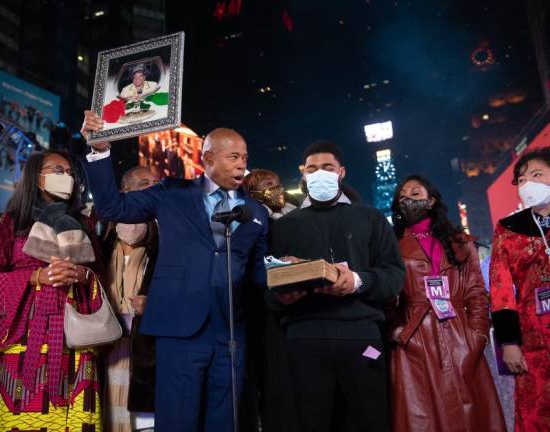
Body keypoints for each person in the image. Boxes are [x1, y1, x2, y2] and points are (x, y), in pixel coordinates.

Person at [81, 110, 268, 432]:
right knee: (177, 421)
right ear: (208, 157)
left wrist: (292, 275)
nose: (242, 164)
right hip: (180, 330)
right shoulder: (171, 193)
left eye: (245, 157)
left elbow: (258, 273)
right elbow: (113, 207)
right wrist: (99, 151)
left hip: (231, 333)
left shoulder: (256, 212)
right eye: (234, 156)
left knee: (224, 423)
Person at [0, 151, 106, 432]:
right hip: (21, 339)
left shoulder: (85, 223)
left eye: (69, 172)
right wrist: (36, 276)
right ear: (37, 178)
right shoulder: (12, 223)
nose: (65, 177)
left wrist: (81, 274)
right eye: (56, 170)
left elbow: (100, 275)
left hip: (73, 338)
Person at [267, 140, 405, 432]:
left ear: (341, 172)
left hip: (362, 336)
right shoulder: (282, 226)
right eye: (312, 169)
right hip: (304, 338)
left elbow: (394, 275)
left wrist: (356, 281)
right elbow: (265, 288)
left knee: (371, 420)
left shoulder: (371, 218)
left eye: (327, 167)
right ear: (303, 175)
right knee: (310, 421)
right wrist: (282, 295)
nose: (320, 173)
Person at [387, 174, 506, 432]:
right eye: (402, 196)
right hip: (414, 342)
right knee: (423, 418)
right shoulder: (391, 247)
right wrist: (397, 331)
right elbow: (386, 298)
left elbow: (476, 292)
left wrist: (477, 337)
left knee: (472, 416)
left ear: (431, 201)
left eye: (415, 194)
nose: (408, 199)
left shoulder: (460, 242)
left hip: (460, 337)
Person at [489, 147, 550, 432]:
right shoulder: (508, 229)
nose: (528, 184)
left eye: (537, 175)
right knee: (537, 413)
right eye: (523, 179)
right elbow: (501, 288)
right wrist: (509, 342)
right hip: (534, 337)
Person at [242, 169, 298, 432]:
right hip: (261, 306)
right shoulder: (251, 219)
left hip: (294, 305)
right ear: (251, 192)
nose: (275, 189)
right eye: (266, 185)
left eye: (277, 184)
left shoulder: (294, 215)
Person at [105, 166, 159, 432]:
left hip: (146, 345)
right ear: (125, 191)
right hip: (107, 344)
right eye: (145, 183)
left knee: (144, 421)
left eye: (156, 183)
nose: (153, 188)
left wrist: (155, 304)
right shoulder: (101, 235)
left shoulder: (167, 235)